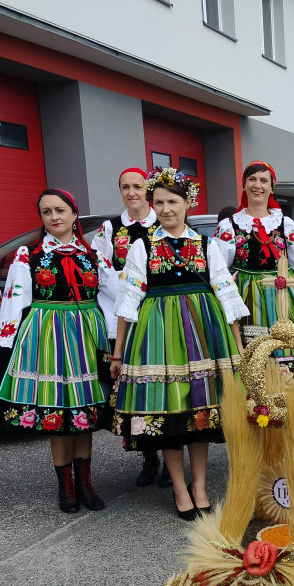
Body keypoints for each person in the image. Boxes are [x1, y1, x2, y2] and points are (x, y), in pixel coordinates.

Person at [111, 168, 247, 520]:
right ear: (151, 205)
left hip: (203, 332)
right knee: (169, 413)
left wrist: (238, 349)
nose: (166, 209)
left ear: (188, 203)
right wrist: (118, 351)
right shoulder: (142, 246)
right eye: (159, 202)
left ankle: (199, 484)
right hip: (158, 335)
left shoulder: (206, 244)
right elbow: (129, 300)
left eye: (173, 201)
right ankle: (179, 486)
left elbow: (226, 294)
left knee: (199, 412)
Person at [0, 189, 117, 513]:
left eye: (60, 210)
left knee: (85, 412)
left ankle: (85, 483)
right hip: (48, 335)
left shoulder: (94, 255)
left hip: (86, 335)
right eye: (47, 211)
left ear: (74, 213)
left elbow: (113, 297)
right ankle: (65, 486)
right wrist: (5, 344)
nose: (54, 217)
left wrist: (114, 338)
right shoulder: (29, 255)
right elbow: (14, 300)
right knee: (59, 411)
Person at [213, 161, 294, 368]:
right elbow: (220, 268)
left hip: (284, 293)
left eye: (263, 180)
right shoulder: (229, 226)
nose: (258, 185)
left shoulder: (285, 223)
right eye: (252, 179)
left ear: (271, 187)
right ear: (244, 184)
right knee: (252, 355)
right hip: (246, 296)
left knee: (290, 346)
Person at [93, 167, 167, 489]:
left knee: (164, 383)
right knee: (137, 390)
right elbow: (98, 265)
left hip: (158, 313)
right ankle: (148, 456)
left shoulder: (162, 221)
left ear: (147, 189)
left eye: (138, 186)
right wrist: (127, 288)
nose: (132, 192)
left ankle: (171, 452)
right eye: (125, 187)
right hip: (122, 315)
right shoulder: (110, 227)